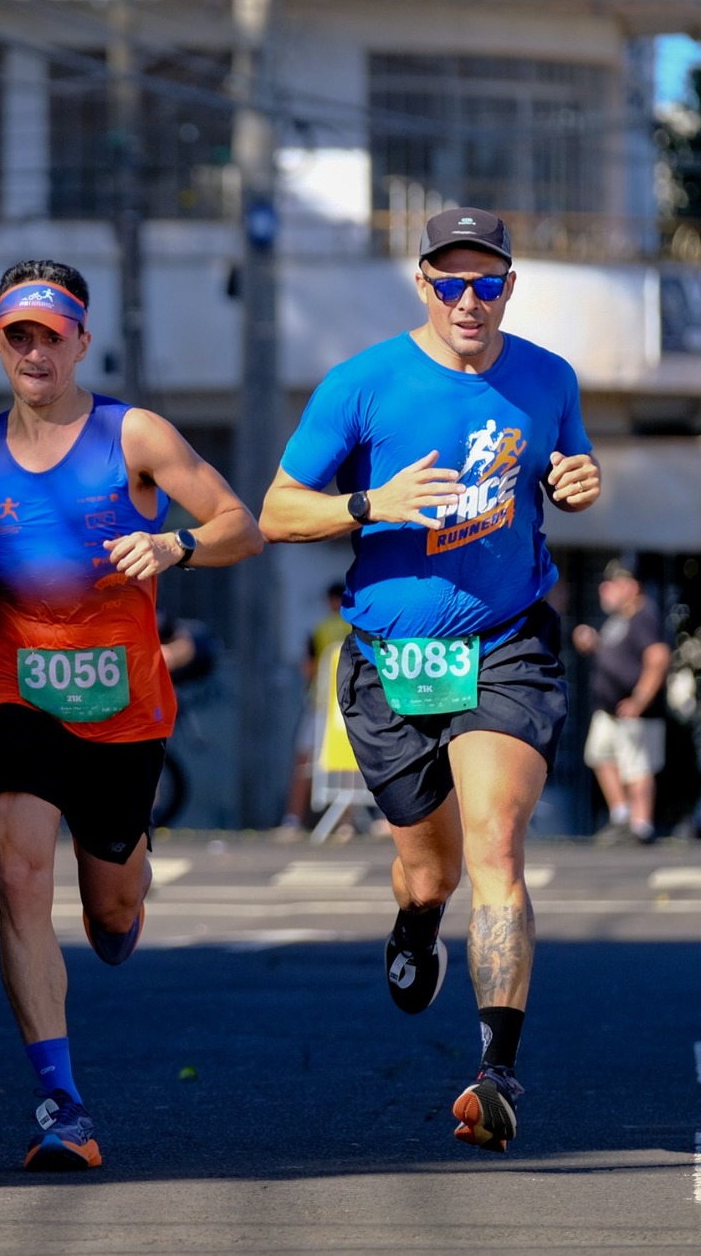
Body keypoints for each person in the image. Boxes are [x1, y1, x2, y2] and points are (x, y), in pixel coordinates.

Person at [0, 260, 262, 1172]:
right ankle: (61, 1105)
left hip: (123, 708)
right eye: (17, 337)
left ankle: (126, 876)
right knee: (20, 875)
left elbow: (240, 525)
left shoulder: (133, 435)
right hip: (17, 693)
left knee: (110, 914)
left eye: (49, 337)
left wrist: (174, 543)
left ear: (79, 343)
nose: (34, 353)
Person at [258, 207, 601, 1154]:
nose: (467, 299)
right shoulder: (360, 384)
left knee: (496, 846)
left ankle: (496, 1075)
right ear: (422, 285)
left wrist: (579, 483)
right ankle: (415, 921)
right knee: (432, 871)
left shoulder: (547, 378)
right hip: (389, 660)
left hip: (504, 645)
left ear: (508, 288)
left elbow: (568, 468)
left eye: (484, 282)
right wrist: (371, 503)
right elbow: (275, 512)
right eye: (449, 282)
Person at [573, 559, 671, 845]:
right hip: (609, 710)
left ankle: (641, 826)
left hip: (636, 711)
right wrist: (593, 643)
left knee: (637, 767)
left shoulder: (644, 615)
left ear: (631, 587)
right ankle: (621, 817)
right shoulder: (620, 619)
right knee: (600, 755)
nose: (604, 590)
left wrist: (639, 700)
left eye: (611, 584)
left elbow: (658, 659)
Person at [281, 581, 353, 835]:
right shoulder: (358, 626)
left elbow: (308, 669)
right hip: (352, 706)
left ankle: (293, 819)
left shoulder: (320, 629)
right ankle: (345, 823)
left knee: (305, 762)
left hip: (321, 706)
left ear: (329, 601)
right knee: (348, 766)